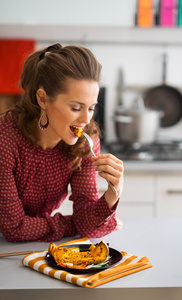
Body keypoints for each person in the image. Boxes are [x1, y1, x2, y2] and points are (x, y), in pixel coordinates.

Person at [0, 43, 124, 242]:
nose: (86, 119)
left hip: (32, 246)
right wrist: (73, 224)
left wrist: (113, 192)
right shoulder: (5, 139)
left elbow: (87, 225)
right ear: (43, 99)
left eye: (91, 108)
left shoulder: (85, 142)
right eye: (76, 108)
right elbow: (14, 229)